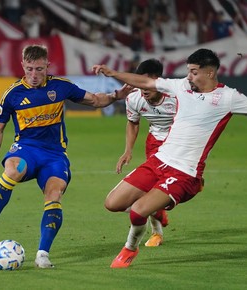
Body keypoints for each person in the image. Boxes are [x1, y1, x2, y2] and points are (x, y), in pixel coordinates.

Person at [0, 44, 131, 269]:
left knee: (54, 194)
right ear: (22, 65)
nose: (33, 75)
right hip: (26, 149)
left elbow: (95, 100)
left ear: (47, 66)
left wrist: (118, 95)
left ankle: (42, 254)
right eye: (29, 69)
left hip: (54, 155)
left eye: (39, 69)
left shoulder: (60, 87)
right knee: (12, 170)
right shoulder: (13, 94)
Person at [92, 48, 247, 268]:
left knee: (138, 211)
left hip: (185, 172)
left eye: (193, 72)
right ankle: (154, 205)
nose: (189, 76)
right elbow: (144, 82)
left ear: (210, 73)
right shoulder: (182, 86)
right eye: (188, 71)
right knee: (112, 203)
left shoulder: (229, 97)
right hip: (159, 160)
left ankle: (129, 249)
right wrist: (113, 73)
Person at [116, 58, 177, 247]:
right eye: (139, 83)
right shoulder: (134, 98)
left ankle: (159, 208)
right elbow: (133, 123)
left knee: (177, 187)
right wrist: (128, 150)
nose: (143, 88)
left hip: (179, 144)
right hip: (154, 144)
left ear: (158, 80)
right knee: (150, 190)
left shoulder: (177, 96)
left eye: (146, 83)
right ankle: (156, 232)